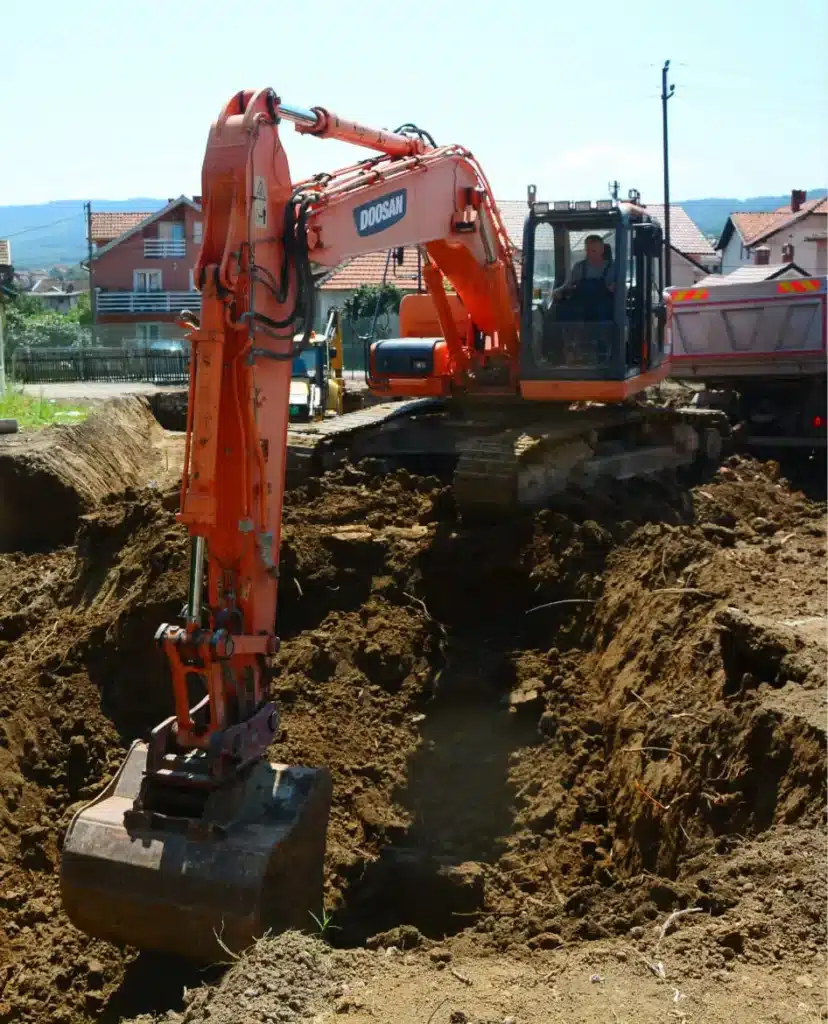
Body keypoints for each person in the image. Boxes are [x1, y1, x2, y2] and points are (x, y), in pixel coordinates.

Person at [553, 235, 615, 307]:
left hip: (605, 312)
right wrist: (558, 291)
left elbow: (621, 289)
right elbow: (568, 285)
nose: (589, 254)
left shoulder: (612, 268)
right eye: (587, 250)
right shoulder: (579, 267)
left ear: (602, 250)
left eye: (593, 251)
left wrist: (614, 288)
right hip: (581, 311)